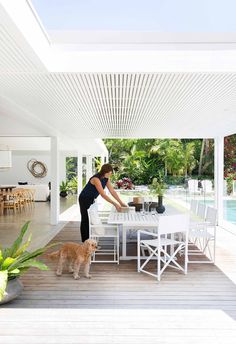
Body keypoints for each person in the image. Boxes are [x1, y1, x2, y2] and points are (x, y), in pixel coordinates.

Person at [79, 163, 127, 242]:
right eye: (110, 173)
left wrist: (121, 202)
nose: (110, 175)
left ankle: (91, 240)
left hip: (92, 199)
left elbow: (112, 191)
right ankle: (85, 242)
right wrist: (115, 204)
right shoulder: (96, 179)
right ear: (105, 172)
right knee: (85, 219)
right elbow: (103, 194)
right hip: (84, 199)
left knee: (92, 218)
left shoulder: (106, 179)